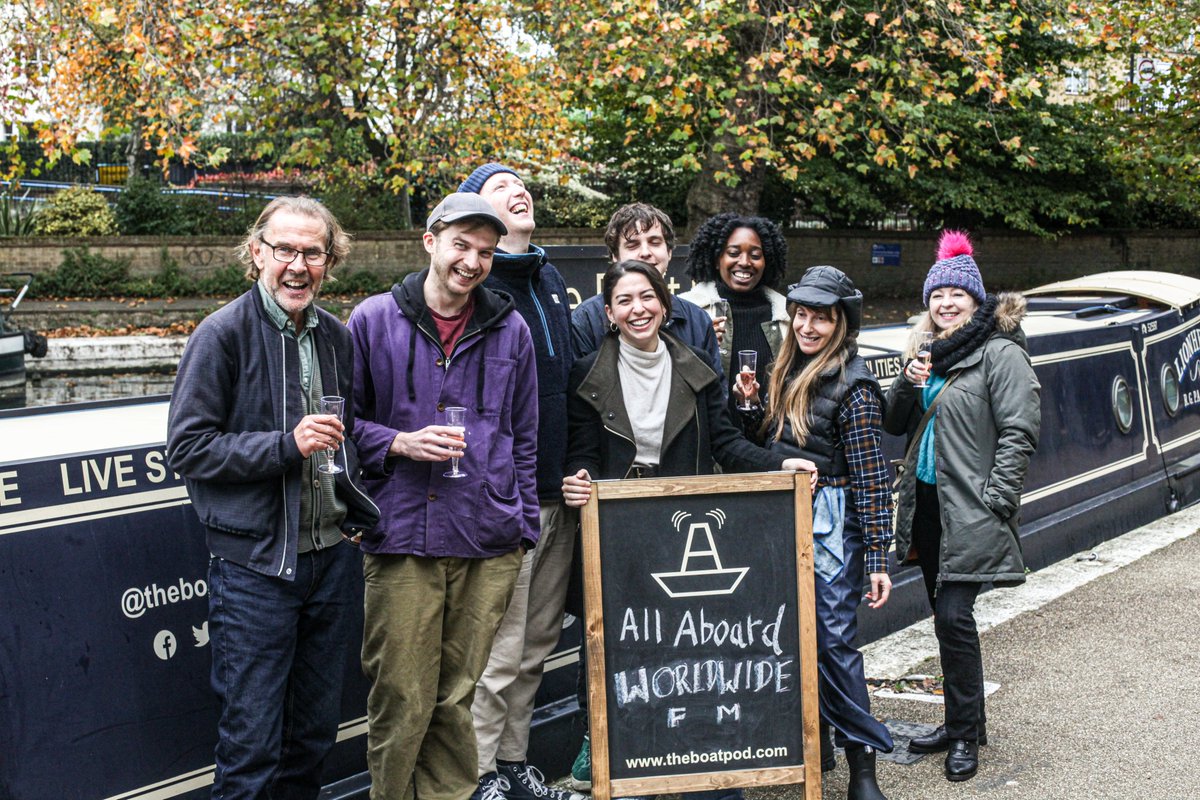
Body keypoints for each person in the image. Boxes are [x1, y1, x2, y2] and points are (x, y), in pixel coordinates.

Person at [561, 260, 816, 800]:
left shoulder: (697, 366)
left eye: (647, 297)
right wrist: (576, 485)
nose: (638, 309)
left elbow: (725, 443)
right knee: (629, 647)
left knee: (694, 646)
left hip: (681, 527)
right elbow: (582, 457)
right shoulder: (585, 374)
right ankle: (634, 769)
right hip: (621, 534)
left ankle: (707, 770)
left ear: (665, 305)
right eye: (624, 300)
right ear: (609, 313)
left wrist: (777, 466)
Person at [166, 196, 381, 799]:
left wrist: (357, 507)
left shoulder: (338, 337)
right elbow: (187, 450)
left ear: (329, 261)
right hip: (256, 570)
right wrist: (285, 446)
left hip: (330, 563)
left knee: (311, 742)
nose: (297, 264)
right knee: (251, 748)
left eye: (313, 253)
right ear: (257, 253)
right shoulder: (221, 334)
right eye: (285, 249)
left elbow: (352, 434)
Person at [347, 192, 540, 800]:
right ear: (430, 242)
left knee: (458, 699)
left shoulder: (510, 328)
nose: (473, 261)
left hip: (487, 538)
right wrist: (400, 443)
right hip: (402, 534)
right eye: (461, 244)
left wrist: (524, 527)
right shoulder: (372, 320)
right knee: (401, 698)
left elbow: (526, 436)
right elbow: (338, 424)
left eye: (485, 250)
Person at [883, 231, 1040, 783]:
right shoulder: (927, 353)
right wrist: (907, 383)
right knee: (943, 619)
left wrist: (999, 499)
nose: (945, 304)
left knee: (954, 617)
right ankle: (959, 722)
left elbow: (1020, 431)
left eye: (956, 295)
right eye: (936, 296)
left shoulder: (1000, 352)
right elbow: (896, 422)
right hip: (927, 504)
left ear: (975, 300)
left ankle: (966, 734)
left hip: (971, 507)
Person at [735, 266, 893, 800]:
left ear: (841, 323)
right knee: (791, 637)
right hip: (784, 517)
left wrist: (876, 557)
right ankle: (817, 750)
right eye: (801, 314)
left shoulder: (857, 386)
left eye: (820, 318)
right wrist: (751, 405)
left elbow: (873, 479)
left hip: (831, 526)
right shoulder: (787, 369)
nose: (807, 326)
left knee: (832, 643)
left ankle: (863, 771)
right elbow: (771, 446)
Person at [456, 163, 583, 800]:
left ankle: (513, 764)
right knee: (501, 649)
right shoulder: (477, 286)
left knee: (537, 643)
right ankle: (477, 774)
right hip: (509, 500)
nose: (519, 188)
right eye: (501, 185)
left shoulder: (550, 276)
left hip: (560, 491)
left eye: (522, 182)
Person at [572, 203, 721, 379]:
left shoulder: (697, 320)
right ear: (615, 256)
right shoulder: (586, 321)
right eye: (633, 244)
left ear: (669, 252)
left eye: (654, 242)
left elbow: (714, 397)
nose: (645, 252)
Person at [678, 212, 790, 411]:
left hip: (771, 436)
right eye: (733, 253)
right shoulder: (689, 311)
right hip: (711, 437)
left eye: (755, 255)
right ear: (716, 259)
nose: (745, 262)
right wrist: (699, 341)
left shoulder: (786, 315)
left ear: (767, 261)